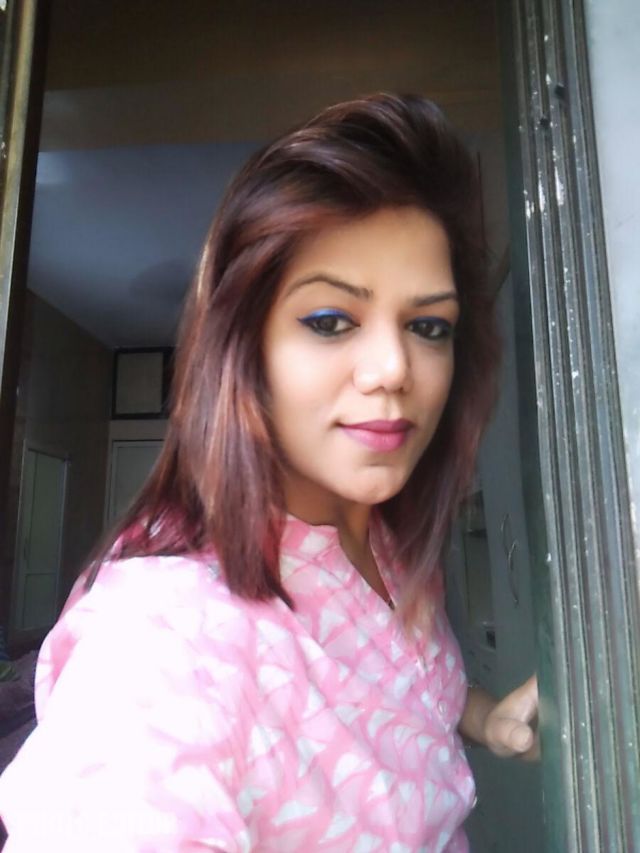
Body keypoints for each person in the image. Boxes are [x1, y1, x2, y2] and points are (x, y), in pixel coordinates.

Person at [0, 94, 538, 851]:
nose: (395, 367)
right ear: (242, 349)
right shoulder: (164, 638)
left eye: (427, 325)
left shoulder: (381, 536)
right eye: (330, 321)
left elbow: (409, 686)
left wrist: (485, 717)